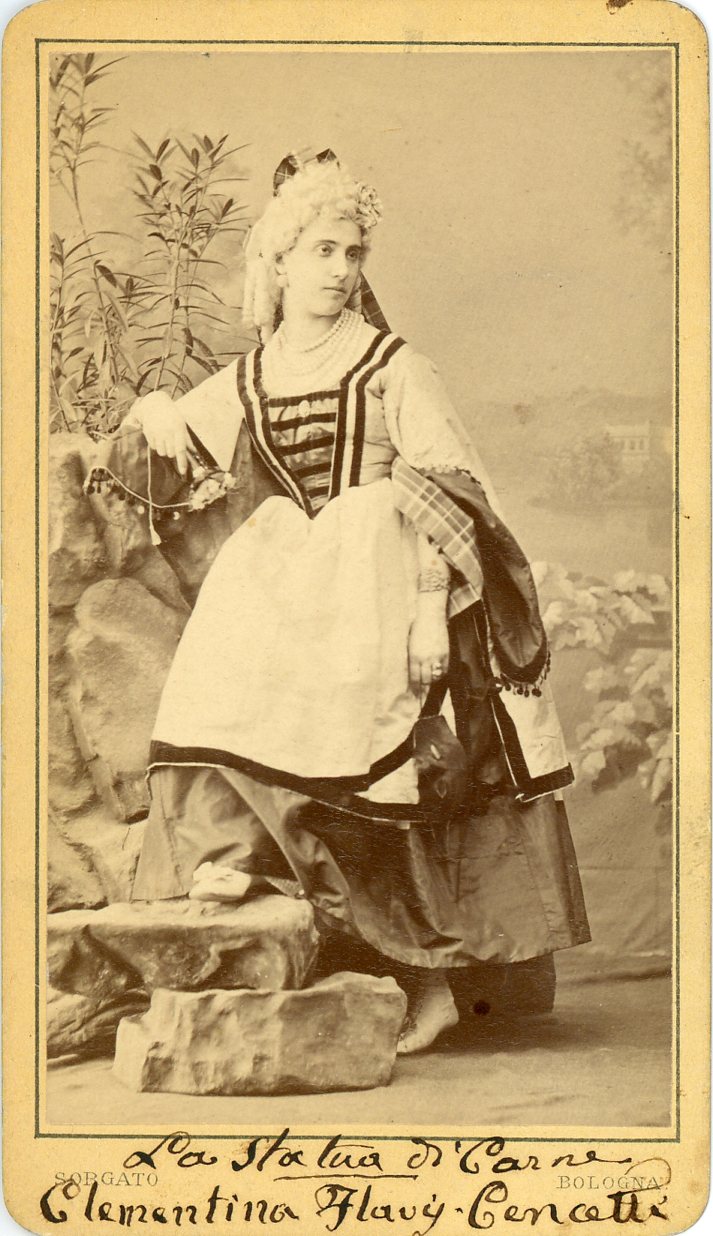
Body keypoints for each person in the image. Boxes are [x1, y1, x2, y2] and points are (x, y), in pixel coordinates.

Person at [128, 149, 590, 1054]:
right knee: (220, 676)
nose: (341, 270)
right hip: (300, 578)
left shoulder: (391, 365)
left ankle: (433, 982)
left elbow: (448, 493)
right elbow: (182, 437)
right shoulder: (255, 373)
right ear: (278, 261)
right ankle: (235, 856)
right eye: (324, 251)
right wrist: (153, 408)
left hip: (389, 580)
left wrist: (425, 612)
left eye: (353, 254)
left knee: (376, 750)